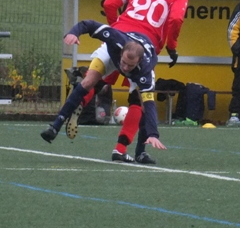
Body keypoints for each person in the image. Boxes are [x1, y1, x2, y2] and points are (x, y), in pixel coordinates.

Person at [42, 0, 188, 163]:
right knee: (139, 99)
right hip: (141, 53)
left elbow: (110, 4)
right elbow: (175, 20)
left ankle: (57, 123)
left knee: (92, 81)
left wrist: (116, 28)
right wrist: (171, 47)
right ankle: (127, 150)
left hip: (117, 42)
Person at [41, 20, 164, 163]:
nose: (124, 68)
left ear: (139, 61)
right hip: (113, 53)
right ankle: (54, 127)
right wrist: (74, 33)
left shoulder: (145, 72)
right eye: (124, 62)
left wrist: (153, 134)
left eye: (130, 65)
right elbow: (89, 24)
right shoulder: (116, 39)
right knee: (88, 82)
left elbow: (150, 105)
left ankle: (140, 152)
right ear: (122, 52)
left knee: (142, 104)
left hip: (138, 64)